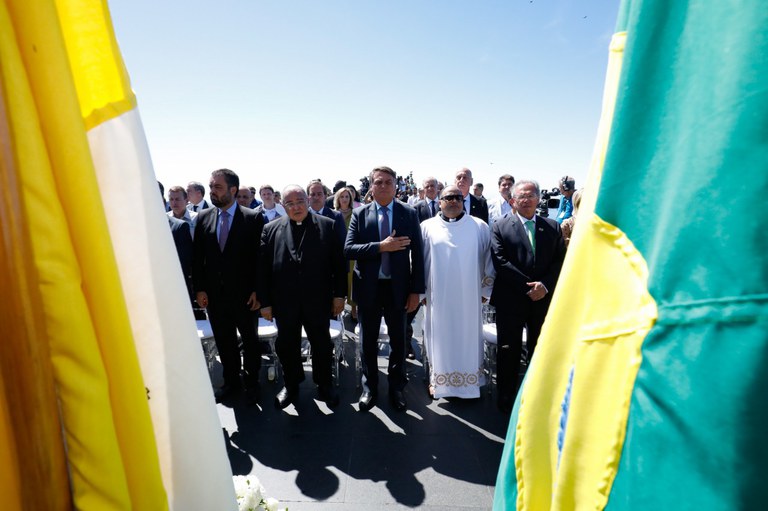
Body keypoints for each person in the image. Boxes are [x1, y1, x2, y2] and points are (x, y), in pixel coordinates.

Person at [344, 166, 425, 412]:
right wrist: (381, 247)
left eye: (388, 182)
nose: (383, 186)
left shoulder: (408, 213)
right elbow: (349, 250)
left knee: (398, 341)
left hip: (398, 289)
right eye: (378, 182)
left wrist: (416, 291)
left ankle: (396, 387)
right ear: (371, 185)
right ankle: (370, 388)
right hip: (368, 288)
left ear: (396, 186)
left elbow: (418, 255)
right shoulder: (361, 214)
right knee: (367, 341)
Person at [259, 185, 346, 409]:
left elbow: (339, 264)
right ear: (283, 205)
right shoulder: (271, 229)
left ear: (307, 201)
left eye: (299, 201)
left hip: (318, 300)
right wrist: (265, 302)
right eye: (290, 203)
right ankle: (291, 384)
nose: (296, 207)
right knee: (287, 345)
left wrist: (339, 296)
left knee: (322, 344)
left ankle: (324, 384)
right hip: (284, 301)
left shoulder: (328, 225)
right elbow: (263, 269)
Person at [490, 180, 566, 413]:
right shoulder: (500, 226)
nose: (527, 199)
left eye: (531, 195)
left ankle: (537, 394)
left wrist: (544, 286)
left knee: (540, 348)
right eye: (521, 196)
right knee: (508, 349)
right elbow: (500, 262)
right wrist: (529, 286)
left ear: (539, 199)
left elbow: (560, 261)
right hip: (511, 299)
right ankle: (506, 394)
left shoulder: (552, 226)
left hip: (542, 300)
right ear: (512, 200)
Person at [192, 168, 265, 403]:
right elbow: (197, 258)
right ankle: (231, 382)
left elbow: (259, 258)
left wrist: (257, 290)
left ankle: (252, 382)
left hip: (245, 296)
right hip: (215, 296)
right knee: (225, 341)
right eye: (211, 186)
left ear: (233, 190)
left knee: (250, 342)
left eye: (217, 187)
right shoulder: (203, 217)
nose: (212, 191)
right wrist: (200, 289)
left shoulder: (253, 218)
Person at [421, 185, 495, 399]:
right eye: (448, 197)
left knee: (467, 338)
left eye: (458, 197)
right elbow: (419, 261)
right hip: (438, 297)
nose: (453, 201)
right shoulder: (427, 227)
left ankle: (469, 385)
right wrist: (422, 293)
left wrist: (485, 288)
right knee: (438, 338)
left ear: (464, 201)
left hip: (469, 296)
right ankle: (439, 382)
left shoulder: (479, 226)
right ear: (440, 201)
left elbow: (488, 259)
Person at [334, 187, 357, 319]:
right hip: (337, 252)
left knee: (351, 281)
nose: (344, 199)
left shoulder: (356, 213)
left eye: (347, 196)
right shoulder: (333, 214)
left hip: (352, 254)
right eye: (342, 196)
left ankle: (354, 308)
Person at [307, 179, 347, 245]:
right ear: (308, 197)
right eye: (313, 194)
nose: (316, 197)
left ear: (325, 196)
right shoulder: (303, 216)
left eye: (319, 194)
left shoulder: (336, 216)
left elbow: (343, 242)